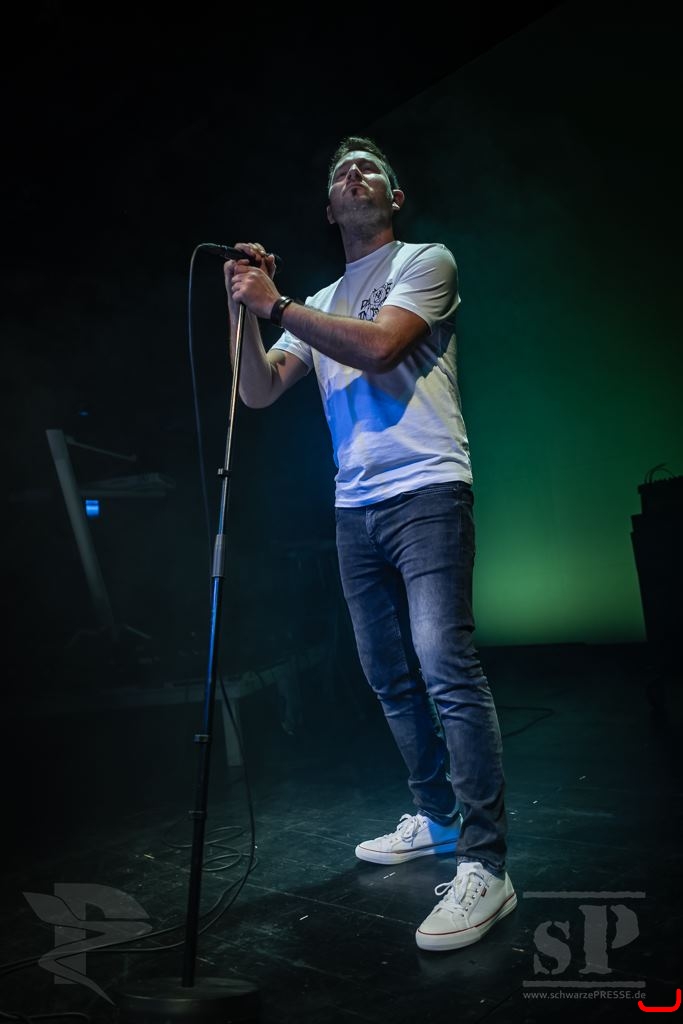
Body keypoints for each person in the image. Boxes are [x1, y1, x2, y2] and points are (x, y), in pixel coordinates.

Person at [223, 135, 516, 951]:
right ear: (328, 209)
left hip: (427, 490)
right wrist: (241, 309)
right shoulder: (316, 297)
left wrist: (276, 306)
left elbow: (381, 344)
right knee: (387, 674)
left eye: (369, 170)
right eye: (339, 173)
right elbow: (258, 390)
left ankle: (487, 865)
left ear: (393, 198)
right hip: (354, 506)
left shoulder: (426, 261)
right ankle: (436, 816)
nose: (354, 175)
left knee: (443, 663)